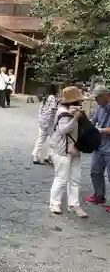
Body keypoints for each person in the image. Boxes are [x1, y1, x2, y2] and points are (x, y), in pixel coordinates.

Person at [49, 86, 88, 218]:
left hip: (74, 148)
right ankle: (54, 203)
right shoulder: (62, 112)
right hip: (62, 150)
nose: (81, 103)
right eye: (79, 101)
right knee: (61, 178)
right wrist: (75, 117)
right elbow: (63, 130)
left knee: (75, 178)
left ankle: (74, 204)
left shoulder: (70, 110)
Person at [85, 85, 110, 209]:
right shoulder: (99, 108)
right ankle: (99, 196)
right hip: (99, 146)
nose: (96, 100)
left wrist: (99, 130)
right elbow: (93, 121)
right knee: (95, 172)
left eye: (98, 97)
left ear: (106, 96)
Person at [32, 84, 58, 165]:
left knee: (40, 139)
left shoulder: (45, 97)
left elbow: (41, 109)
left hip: (42, 121)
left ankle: (35, 155)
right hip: (49, 122)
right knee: (53, 139)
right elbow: (52, 110)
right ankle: (50, 156)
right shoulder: (52, 98)